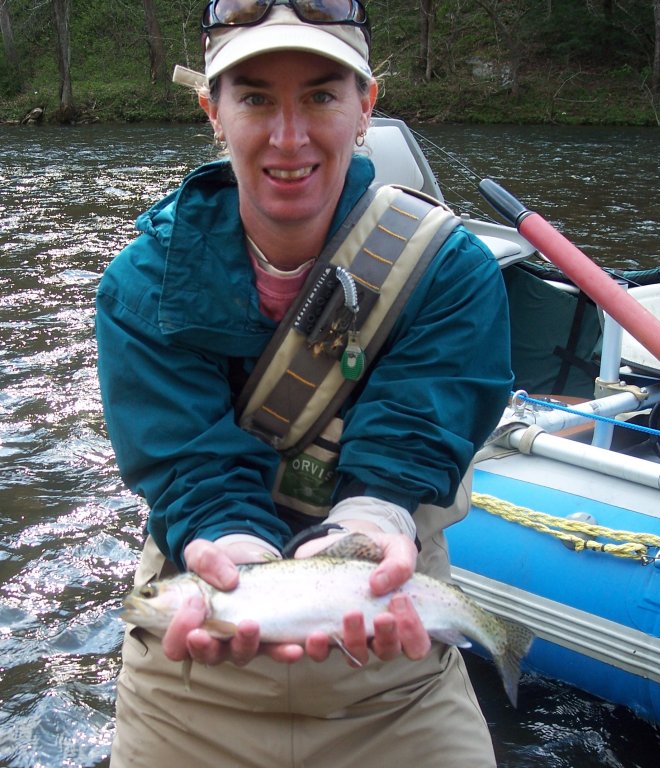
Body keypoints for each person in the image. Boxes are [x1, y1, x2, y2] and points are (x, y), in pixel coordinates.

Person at [96, 2, 513, 766]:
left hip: (394, 677)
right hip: (192, 692)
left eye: (321, 96)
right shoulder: (144, 285)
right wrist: (228, 548)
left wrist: (368, 533)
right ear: (212, 112)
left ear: (366, 108)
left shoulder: (451, 272)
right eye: (255, 98)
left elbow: (407, 450)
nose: (289, 138)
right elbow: (196, 472)